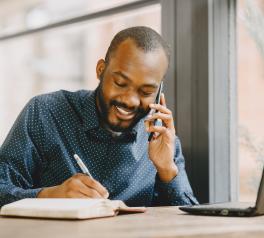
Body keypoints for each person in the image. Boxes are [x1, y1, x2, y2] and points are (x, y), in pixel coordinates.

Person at [0, 26, 198, 207]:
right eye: (120, 83)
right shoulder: (45, 113)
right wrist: (50, 195)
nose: (130, 100)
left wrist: (167, 170)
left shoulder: (161, 139)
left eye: (146, 91)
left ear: (159, 91)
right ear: (100, 70)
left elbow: (188, 223)